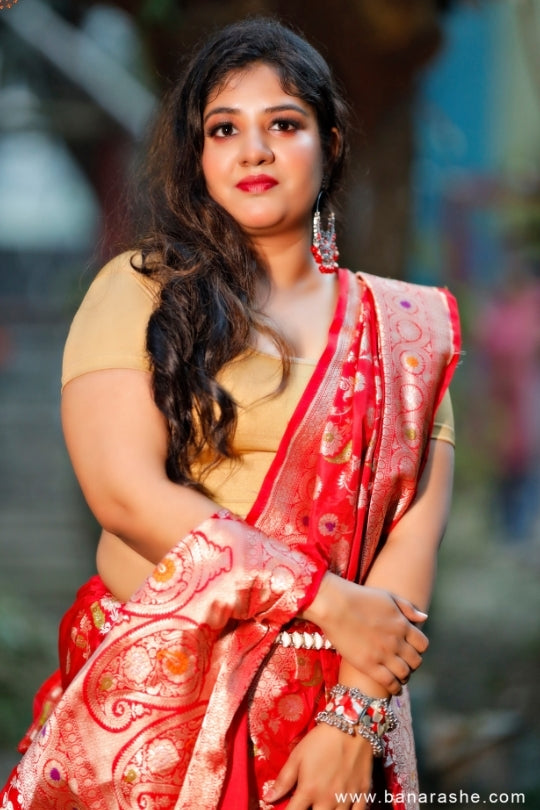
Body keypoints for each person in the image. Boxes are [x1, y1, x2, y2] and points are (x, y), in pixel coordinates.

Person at [1, 17, 460, 810]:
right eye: (224, 129)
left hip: (331, 719)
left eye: (283, 124)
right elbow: (125, 495)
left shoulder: (403, 331)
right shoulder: (141, 290)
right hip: (154, 702)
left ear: (331, 144)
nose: (254, 151)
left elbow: (412, 534)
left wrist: (354, 721)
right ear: (197, 155)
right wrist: (325, 599)